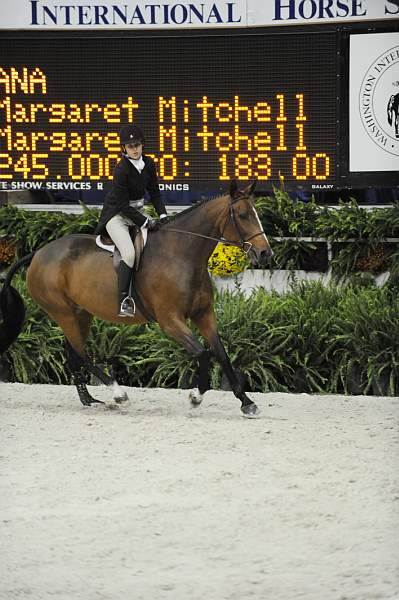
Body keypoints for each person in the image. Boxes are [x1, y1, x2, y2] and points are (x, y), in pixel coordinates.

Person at [95, 124, 168, 317]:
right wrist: (145, 222)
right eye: (130, 146)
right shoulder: (121, 170)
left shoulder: (149, 164)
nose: (134, 149)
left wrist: (163, 216)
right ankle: (124, 301)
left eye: (137, 145)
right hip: (117, 216)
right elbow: (121, 205)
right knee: (128, 253)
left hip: (138, 213)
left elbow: (155, 193)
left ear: (142, 145)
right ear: (124, 149)